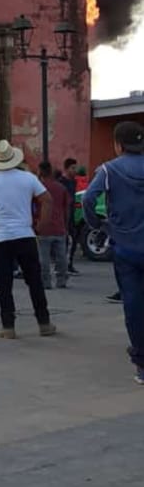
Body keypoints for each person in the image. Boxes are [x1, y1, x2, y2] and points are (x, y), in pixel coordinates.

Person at [0, 139, 55, 339]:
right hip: (24, 235)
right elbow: (47, 200)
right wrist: (41, 225)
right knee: (34, 281)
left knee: (4, 285)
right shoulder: (28, 178)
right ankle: (44, 323)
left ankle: (8, 327)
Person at [84, 120, 144, 385]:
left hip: (126, 248)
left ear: (118, 145)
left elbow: (88, 198)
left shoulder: (109, 170)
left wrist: (97, 223)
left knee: (133, 304)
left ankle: (142, 364)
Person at [36, 160, 70, 289]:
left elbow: (33, 207)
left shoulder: (38, 188)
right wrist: (65, 224)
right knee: (61, 257)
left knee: (43, 257)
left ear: (40, 172)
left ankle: (46, 282)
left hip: (43, 227)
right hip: (59, 226)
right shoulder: (61, 188)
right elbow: (66, 208)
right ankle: (61, 280)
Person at [59, 157, 79, 274]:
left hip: (71, 214)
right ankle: (62, 265)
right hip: (63, 214)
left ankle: (69, 264)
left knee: (73, 238)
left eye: (76, 168)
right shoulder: (61, 182)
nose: (75, 170)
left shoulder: (73, 182)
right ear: (66, 169)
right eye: (73, 168)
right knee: (64, 240)